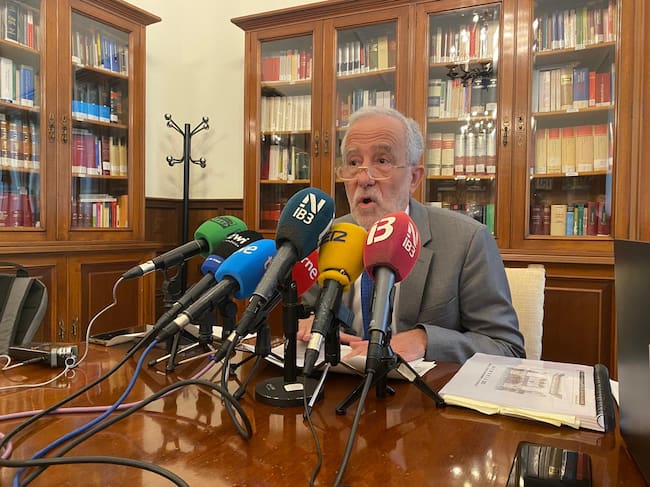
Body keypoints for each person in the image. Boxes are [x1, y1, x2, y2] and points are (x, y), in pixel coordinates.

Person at [297, 106, 525, 364]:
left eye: (382, 161)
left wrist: (425, 341)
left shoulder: (467, 240)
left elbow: (506, 347)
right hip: (340, 380)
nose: (364, 179)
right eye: (353, 163)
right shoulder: (329, 235)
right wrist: (312, 323)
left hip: (421, 388)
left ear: (414, 178)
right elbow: (309, 314)